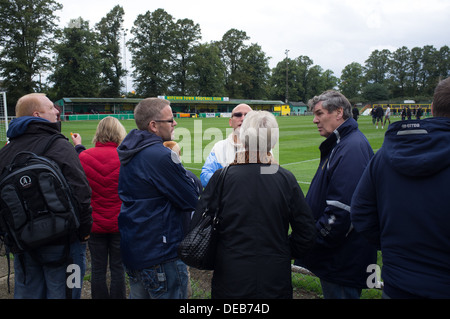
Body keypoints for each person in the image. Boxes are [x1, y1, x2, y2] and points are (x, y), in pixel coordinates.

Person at [191, 110, 316, 299]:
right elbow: (306, 231)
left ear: (243, 139)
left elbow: (196, 225)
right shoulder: (285, 179)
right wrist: (282, 250)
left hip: (232, 275)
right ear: (273, 142)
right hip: (273, 276)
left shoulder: (222, 178)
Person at [351, 77, 450, 299]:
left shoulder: (383, 156)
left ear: (431, 108)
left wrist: (394, 247)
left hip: (399, 283)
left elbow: (361, 215)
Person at [0, 93, 92, 299]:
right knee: (69, 291)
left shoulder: (6, 152)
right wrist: (84, 232)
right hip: (65, 241)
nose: (57, 111)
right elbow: (81, 192)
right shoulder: (59, 145)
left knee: (28, 292)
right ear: (37, 114)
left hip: (23, 243)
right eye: (51, 107)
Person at [294, 90, 377, 299]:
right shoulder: (343, 143)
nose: (315, 120)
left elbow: (341, 212)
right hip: (338, 259)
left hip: (341, 261)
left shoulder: (351, 148)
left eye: (320, 114)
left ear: (339, 112)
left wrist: (313, 242)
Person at [117, 97, 199, 299]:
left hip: (136, 249)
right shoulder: (159, 155)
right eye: (170, 120)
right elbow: (190, 199)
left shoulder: (131, 150)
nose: (175, 123)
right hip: (161, 253)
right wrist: (186, 174)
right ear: (153, 125)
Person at [71, 117, 127, 299]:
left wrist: (78, 146)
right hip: (120, 222)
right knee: (118, 268)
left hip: (94, 223)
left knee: (97, 268)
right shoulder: (125, 157)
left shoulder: (85, 157)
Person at [200, 103, 252, 187]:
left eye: (248, 115)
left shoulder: (263, 147)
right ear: (230, 122)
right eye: (238, 115)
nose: (243, 118)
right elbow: (205, 178)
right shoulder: (219, 147)